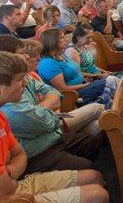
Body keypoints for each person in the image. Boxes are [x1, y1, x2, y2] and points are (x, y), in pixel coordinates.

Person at [0, 52, 109, 203]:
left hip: (16, 181)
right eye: (19, 80)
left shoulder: (1, 116)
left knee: (95, 176)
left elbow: (20, 154)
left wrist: (10, 173)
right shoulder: (10, 110)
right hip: (12, 192)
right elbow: (5, 191)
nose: (25, 83)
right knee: (98, 194)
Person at [38, 29, 116, 109]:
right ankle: (110, 110)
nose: (66, 39)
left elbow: (77, 72)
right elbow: (63, 89)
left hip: (84, 86)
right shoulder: (48, 63)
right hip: (76, 95)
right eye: (62, 38)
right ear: (53, 41)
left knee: (115, 79)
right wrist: (85, 85)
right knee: (112, 80)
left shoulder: (61, 55)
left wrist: (96, 75)